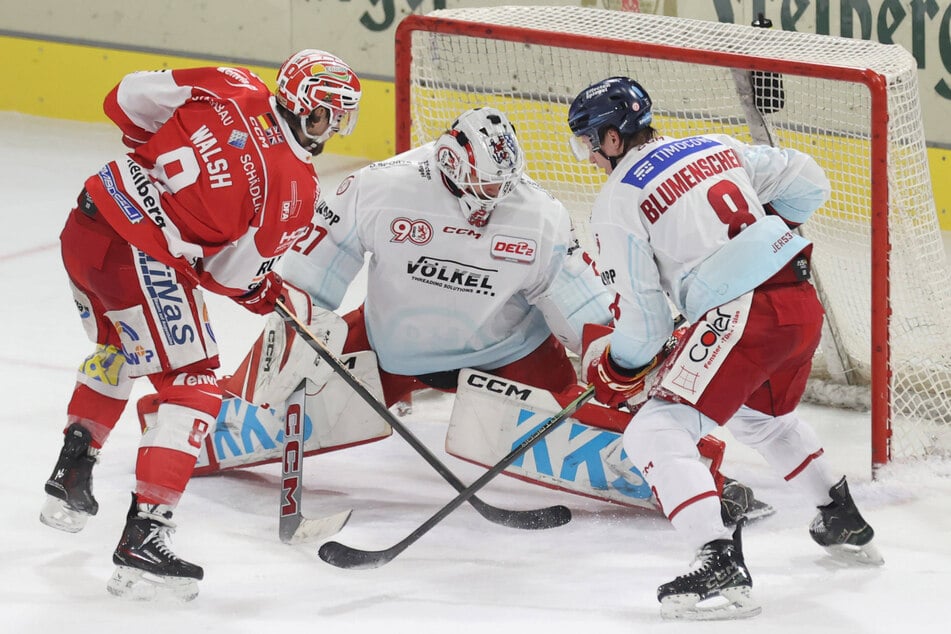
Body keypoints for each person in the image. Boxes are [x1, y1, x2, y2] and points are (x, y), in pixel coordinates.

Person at [214, 106, 771, 524]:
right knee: (255, 394)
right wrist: (292, 339)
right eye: (481, 187)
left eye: (500, 189)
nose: (490, 202)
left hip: (510, 356)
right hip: (390, 348)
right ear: (450, 165)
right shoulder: (380, 188)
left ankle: (701, 475)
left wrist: (619, 364)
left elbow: (587, 312)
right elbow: (305, 279)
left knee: (600, 412)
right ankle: (191, 420)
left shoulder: (539, 215)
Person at [40, 49, 362, 601]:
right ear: (303, 107)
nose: (332, 127)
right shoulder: (295, 189)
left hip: (87, 221)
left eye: (340, 116)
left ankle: (72, 471)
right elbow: (230, 275)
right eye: (327, 115)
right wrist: (268, 294)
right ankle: (146, 532)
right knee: (193, 383)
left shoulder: (228, 81)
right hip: (140, 257)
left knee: (119, 346)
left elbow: (123, 100)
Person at [567, 76, 883, 620]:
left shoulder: (617, 201)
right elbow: (810, 181)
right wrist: (760, 242)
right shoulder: (713, 144)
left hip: (745, 316)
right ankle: (840, 516)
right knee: (762, 418)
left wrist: (618, 370)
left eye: (590, 141)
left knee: (655, 428)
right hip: (799, 300)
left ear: (614, 138)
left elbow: (644, 325)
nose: (590, 155)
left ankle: (716, 561)